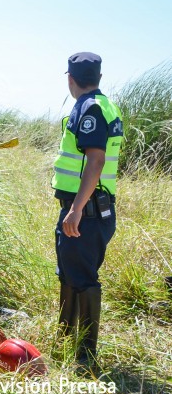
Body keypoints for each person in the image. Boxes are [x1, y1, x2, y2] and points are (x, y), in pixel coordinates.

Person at [52, 52, 123, 373]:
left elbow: (96, 161)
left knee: (83, 278)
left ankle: (84, 358)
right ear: (98, 77)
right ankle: (65, 337)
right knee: (69, 273)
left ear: (70, 78)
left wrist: (76, 210)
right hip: (87, 210)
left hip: (87, 212)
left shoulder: (90, 108)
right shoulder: (106, 104)